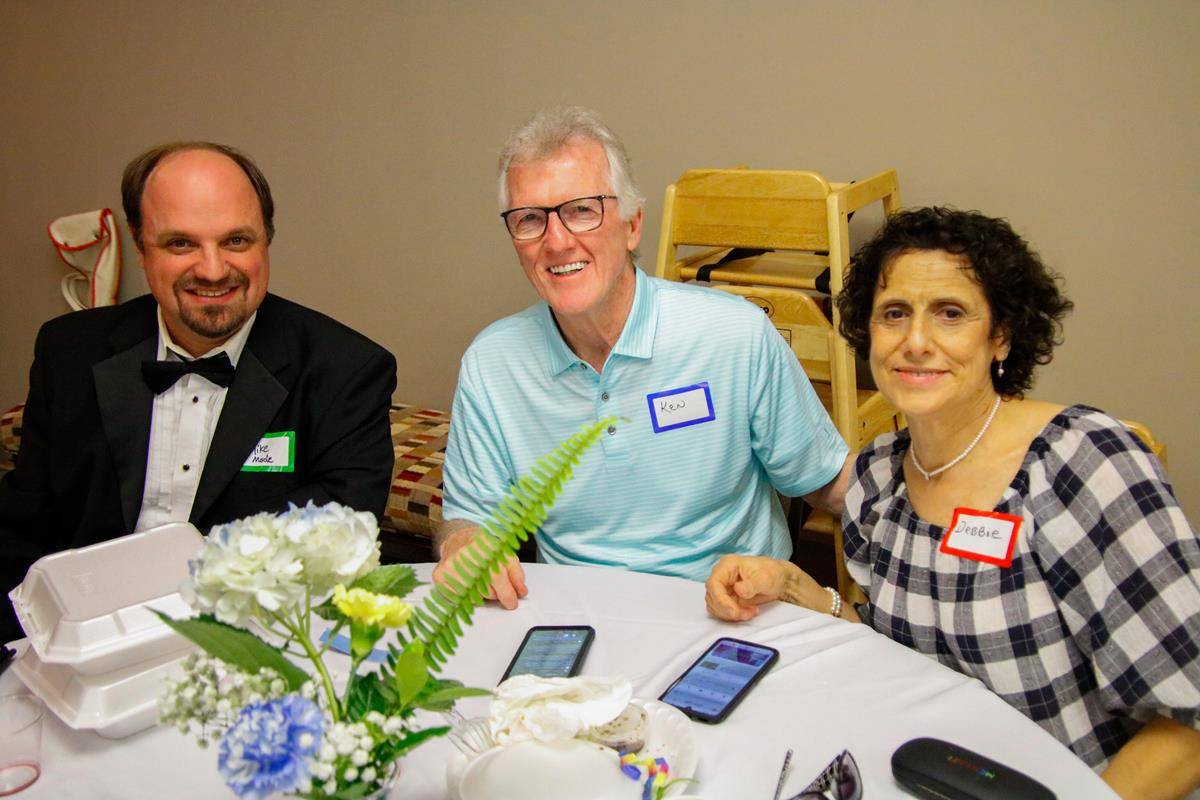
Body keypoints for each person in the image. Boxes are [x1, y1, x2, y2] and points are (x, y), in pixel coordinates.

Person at [705, 207, 1200, 798]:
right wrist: (790, 585)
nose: (916, 342)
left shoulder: (1083, 465)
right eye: (894, 314)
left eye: (950, 313)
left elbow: (1188, 725)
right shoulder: (879, 477)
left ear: (1001, 336)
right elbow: (912, 651)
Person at [434, 106, 853, 608]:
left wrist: (944, 508)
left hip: (734, 611)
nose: (557, 240)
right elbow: (469, 518)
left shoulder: (732, 335)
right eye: (530, 219)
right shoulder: (492, 363)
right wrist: (460, 540)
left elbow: (828, 480)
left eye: (582, 210)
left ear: (633, 225)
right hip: (582, 618)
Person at [0, 142, 397, 641]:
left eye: (236, 240)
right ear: (141, 247)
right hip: (81, 643)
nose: (212, 270)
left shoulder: (346, 370)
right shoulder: (69, 352)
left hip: (251, 646)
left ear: (267, 241)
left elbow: (337, 547)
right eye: (181, 244)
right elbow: (23, 526)